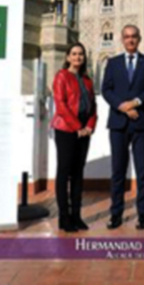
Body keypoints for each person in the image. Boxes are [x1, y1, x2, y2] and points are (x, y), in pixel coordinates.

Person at [101, 24, 144, 230]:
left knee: (142, 171)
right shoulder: (113, 63)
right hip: (118, 124)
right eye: (127, 37)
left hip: (142, 123)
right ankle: (116, 214)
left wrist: (135, 102)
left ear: (140, 38)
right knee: (118, 172)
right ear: (122, 39)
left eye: (134, 36)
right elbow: (106, 89)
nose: (130, 40)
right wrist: (122, 107)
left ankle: (142, 214)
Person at [50, 42, 97, 233]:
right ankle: (64, 217)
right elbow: (61, 105)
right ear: (68, 57)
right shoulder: (61, 77)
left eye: (81, 54)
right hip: (66, 130)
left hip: (84, 131)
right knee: (64, 172)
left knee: (78, 174)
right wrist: (77, 126)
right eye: (74, 54)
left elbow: (93, 106)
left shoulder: (87, 80)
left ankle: (76, 216)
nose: (78, 57)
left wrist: (89, 126)